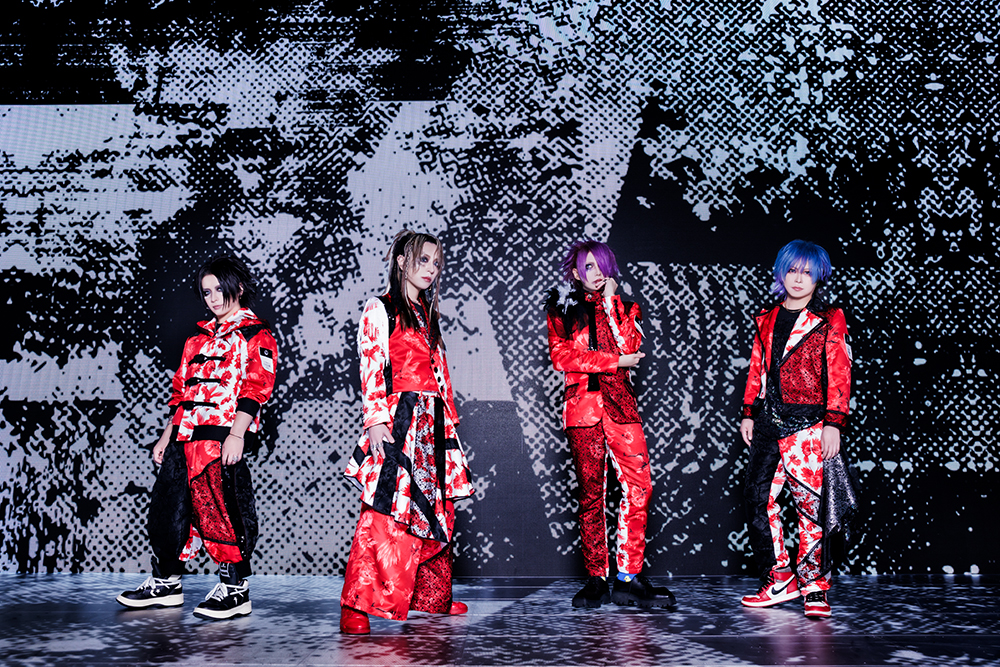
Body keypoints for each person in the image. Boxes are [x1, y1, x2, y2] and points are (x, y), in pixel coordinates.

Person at [117, 255, 277, 620]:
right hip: (183, 437)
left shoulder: (256, 334)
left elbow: (257, 389)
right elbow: (181, 393)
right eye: (207, 292)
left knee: (222, 511)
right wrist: (166, 437)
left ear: (238, 287)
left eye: (220, 289)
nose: (214, 298)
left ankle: (235, 589)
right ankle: (166, 582)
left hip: (219, 438)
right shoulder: (195, 338)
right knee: (168, 508)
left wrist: (236, 434)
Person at [339, 230, 474, 635]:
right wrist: (375, 419)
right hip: (400, 417)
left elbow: (439, 373)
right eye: (423, 260)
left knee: (435, 505)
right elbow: (371, 362)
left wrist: (450, 420)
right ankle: (356, 605)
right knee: (387, 506)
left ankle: (432, 597)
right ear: (401, 261)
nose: (431, 269)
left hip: (434, 420)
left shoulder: (427, 314)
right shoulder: (380, 308)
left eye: (436, 263)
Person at [545, 239, 675, 610]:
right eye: (588, 266)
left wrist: (610, 303)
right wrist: (614, 362)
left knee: (640, 487)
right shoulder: (561, 310)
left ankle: (628, 577)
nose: (597, 273)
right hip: (582, 411)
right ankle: (597, 578)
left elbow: (631, 347)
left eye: (602, 265)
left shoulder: (626, 307)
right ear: (575, 273)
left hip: (623, 409)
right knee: (592, 495)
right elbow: (562, 357)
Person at [739, 239, 852, 619]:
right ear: (781, 273)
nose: (799, 279)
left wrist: (834, 422)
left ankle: (814, 586)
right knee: (758, 500)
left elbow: (839, 371)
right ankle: (779, 577)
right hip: (768, 423)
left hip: (810, 424)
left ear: (819, 277)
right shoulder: (766, 318)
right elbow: (757, 369)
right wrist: (748, 413)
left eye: (807, 272)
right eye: (792, 270)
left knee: (810, 507)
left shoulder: (829, 318)